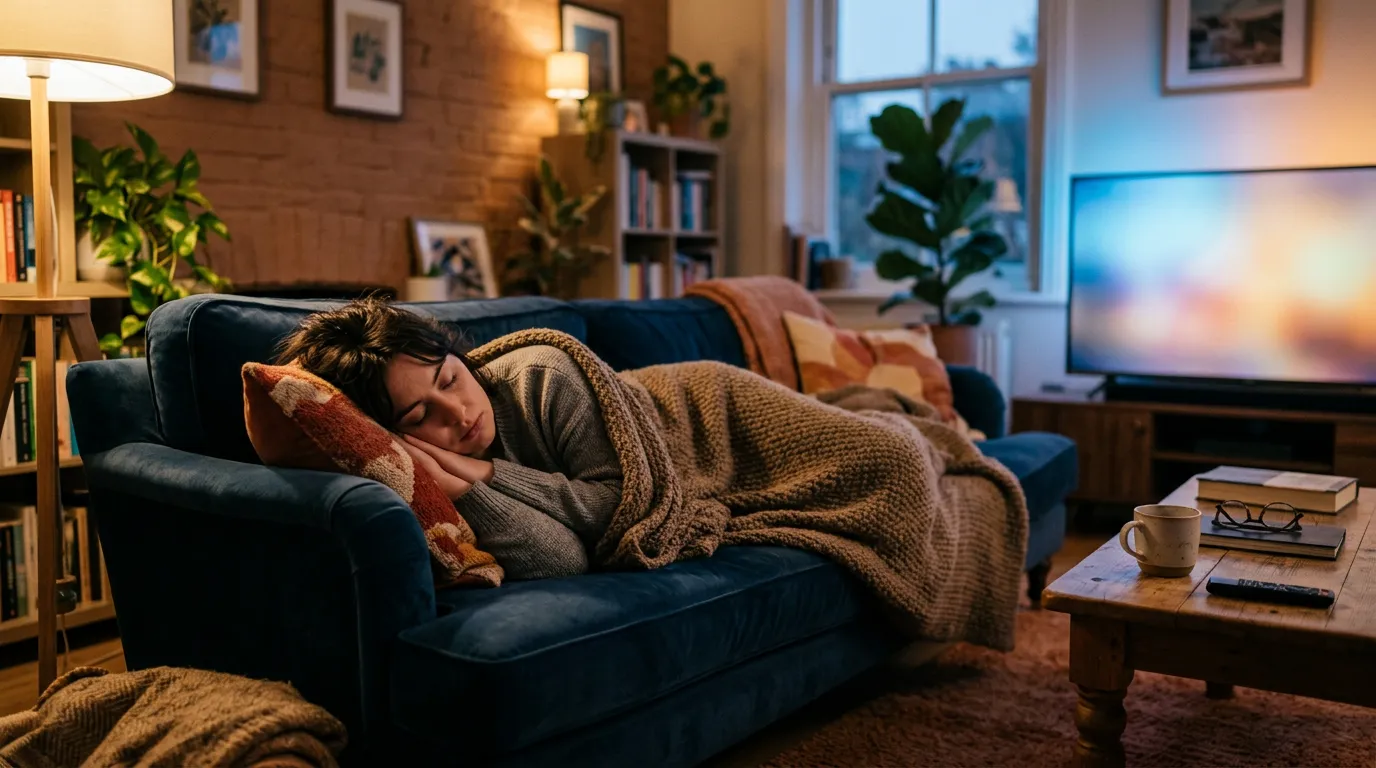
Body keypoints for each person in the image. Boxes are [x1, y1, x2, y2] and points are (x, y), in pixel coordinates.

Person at [275, 298, 620, 580]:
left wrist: (479, 470)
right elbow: (562, 560)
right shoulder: (414, 475)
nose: (456, 412)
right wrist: (451, 484)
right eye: (420, 416)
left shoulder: (544, 379)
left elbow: (616, 508)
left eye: (450, 379)